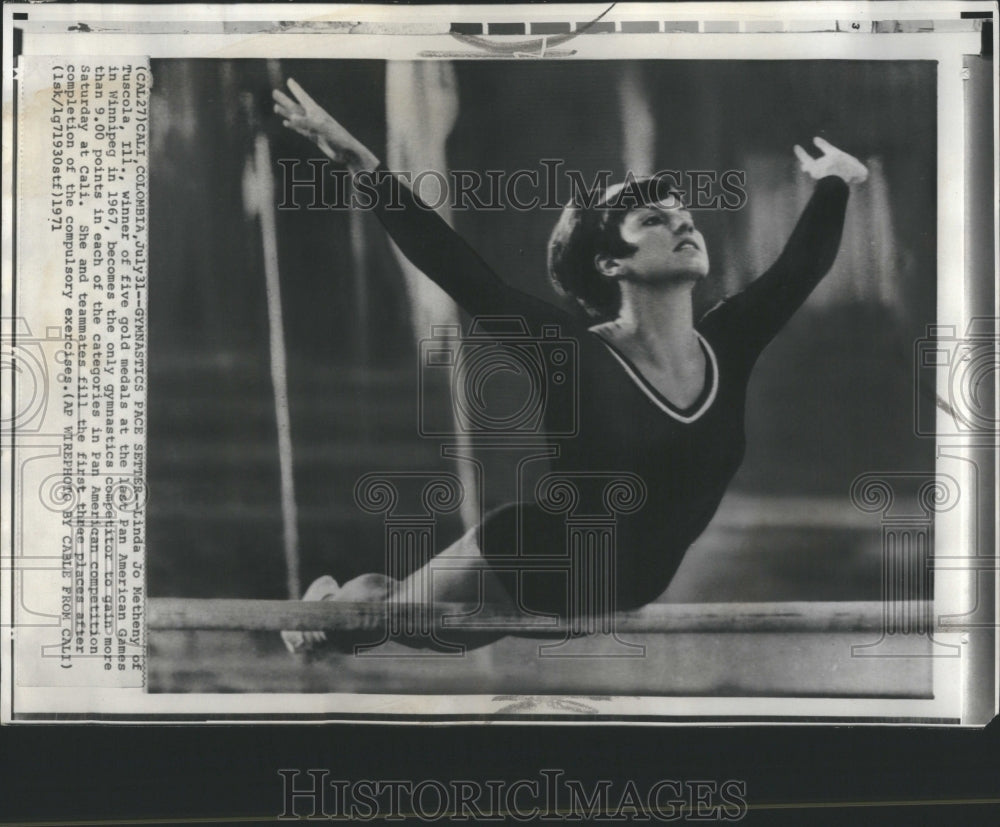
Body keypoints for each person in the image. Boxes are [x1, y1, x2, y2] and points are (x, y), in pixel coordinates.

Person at [273, 78, 869, 653]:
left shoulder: (730, 341)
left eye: (682, 214)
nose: (683, 222)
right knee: (373, 624)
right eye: (654, 221)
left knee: (390, 621)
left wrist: (839, 180)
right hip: (531, 567)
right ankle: (327, 610)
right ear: (611, 265)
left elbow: (798, 270)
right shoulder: (573, 353)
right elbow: (466, 277)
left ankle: (336, 619)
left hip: (613, 599)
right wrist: (365, 169)